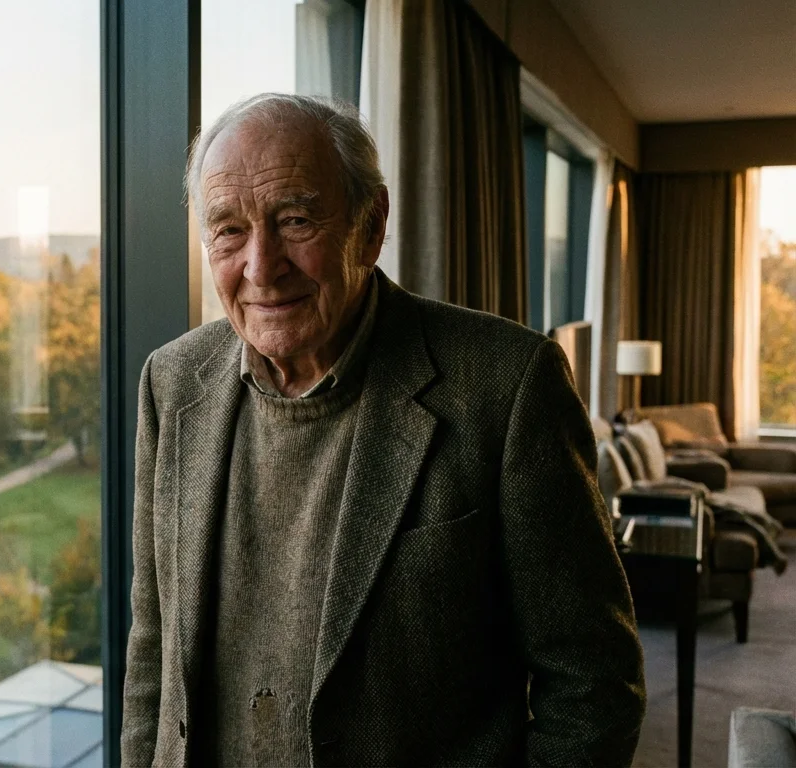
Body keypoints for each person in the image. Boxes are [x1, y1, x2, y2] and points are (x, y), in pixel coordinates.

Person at [120, 93, 646, 767]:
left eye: (296, 220)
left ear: (370, 226)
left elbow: (592, 683)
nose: (261, 266)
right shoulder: (172, 381)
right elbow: (152, 647)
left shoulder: (506, 387)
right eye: (228, 230)